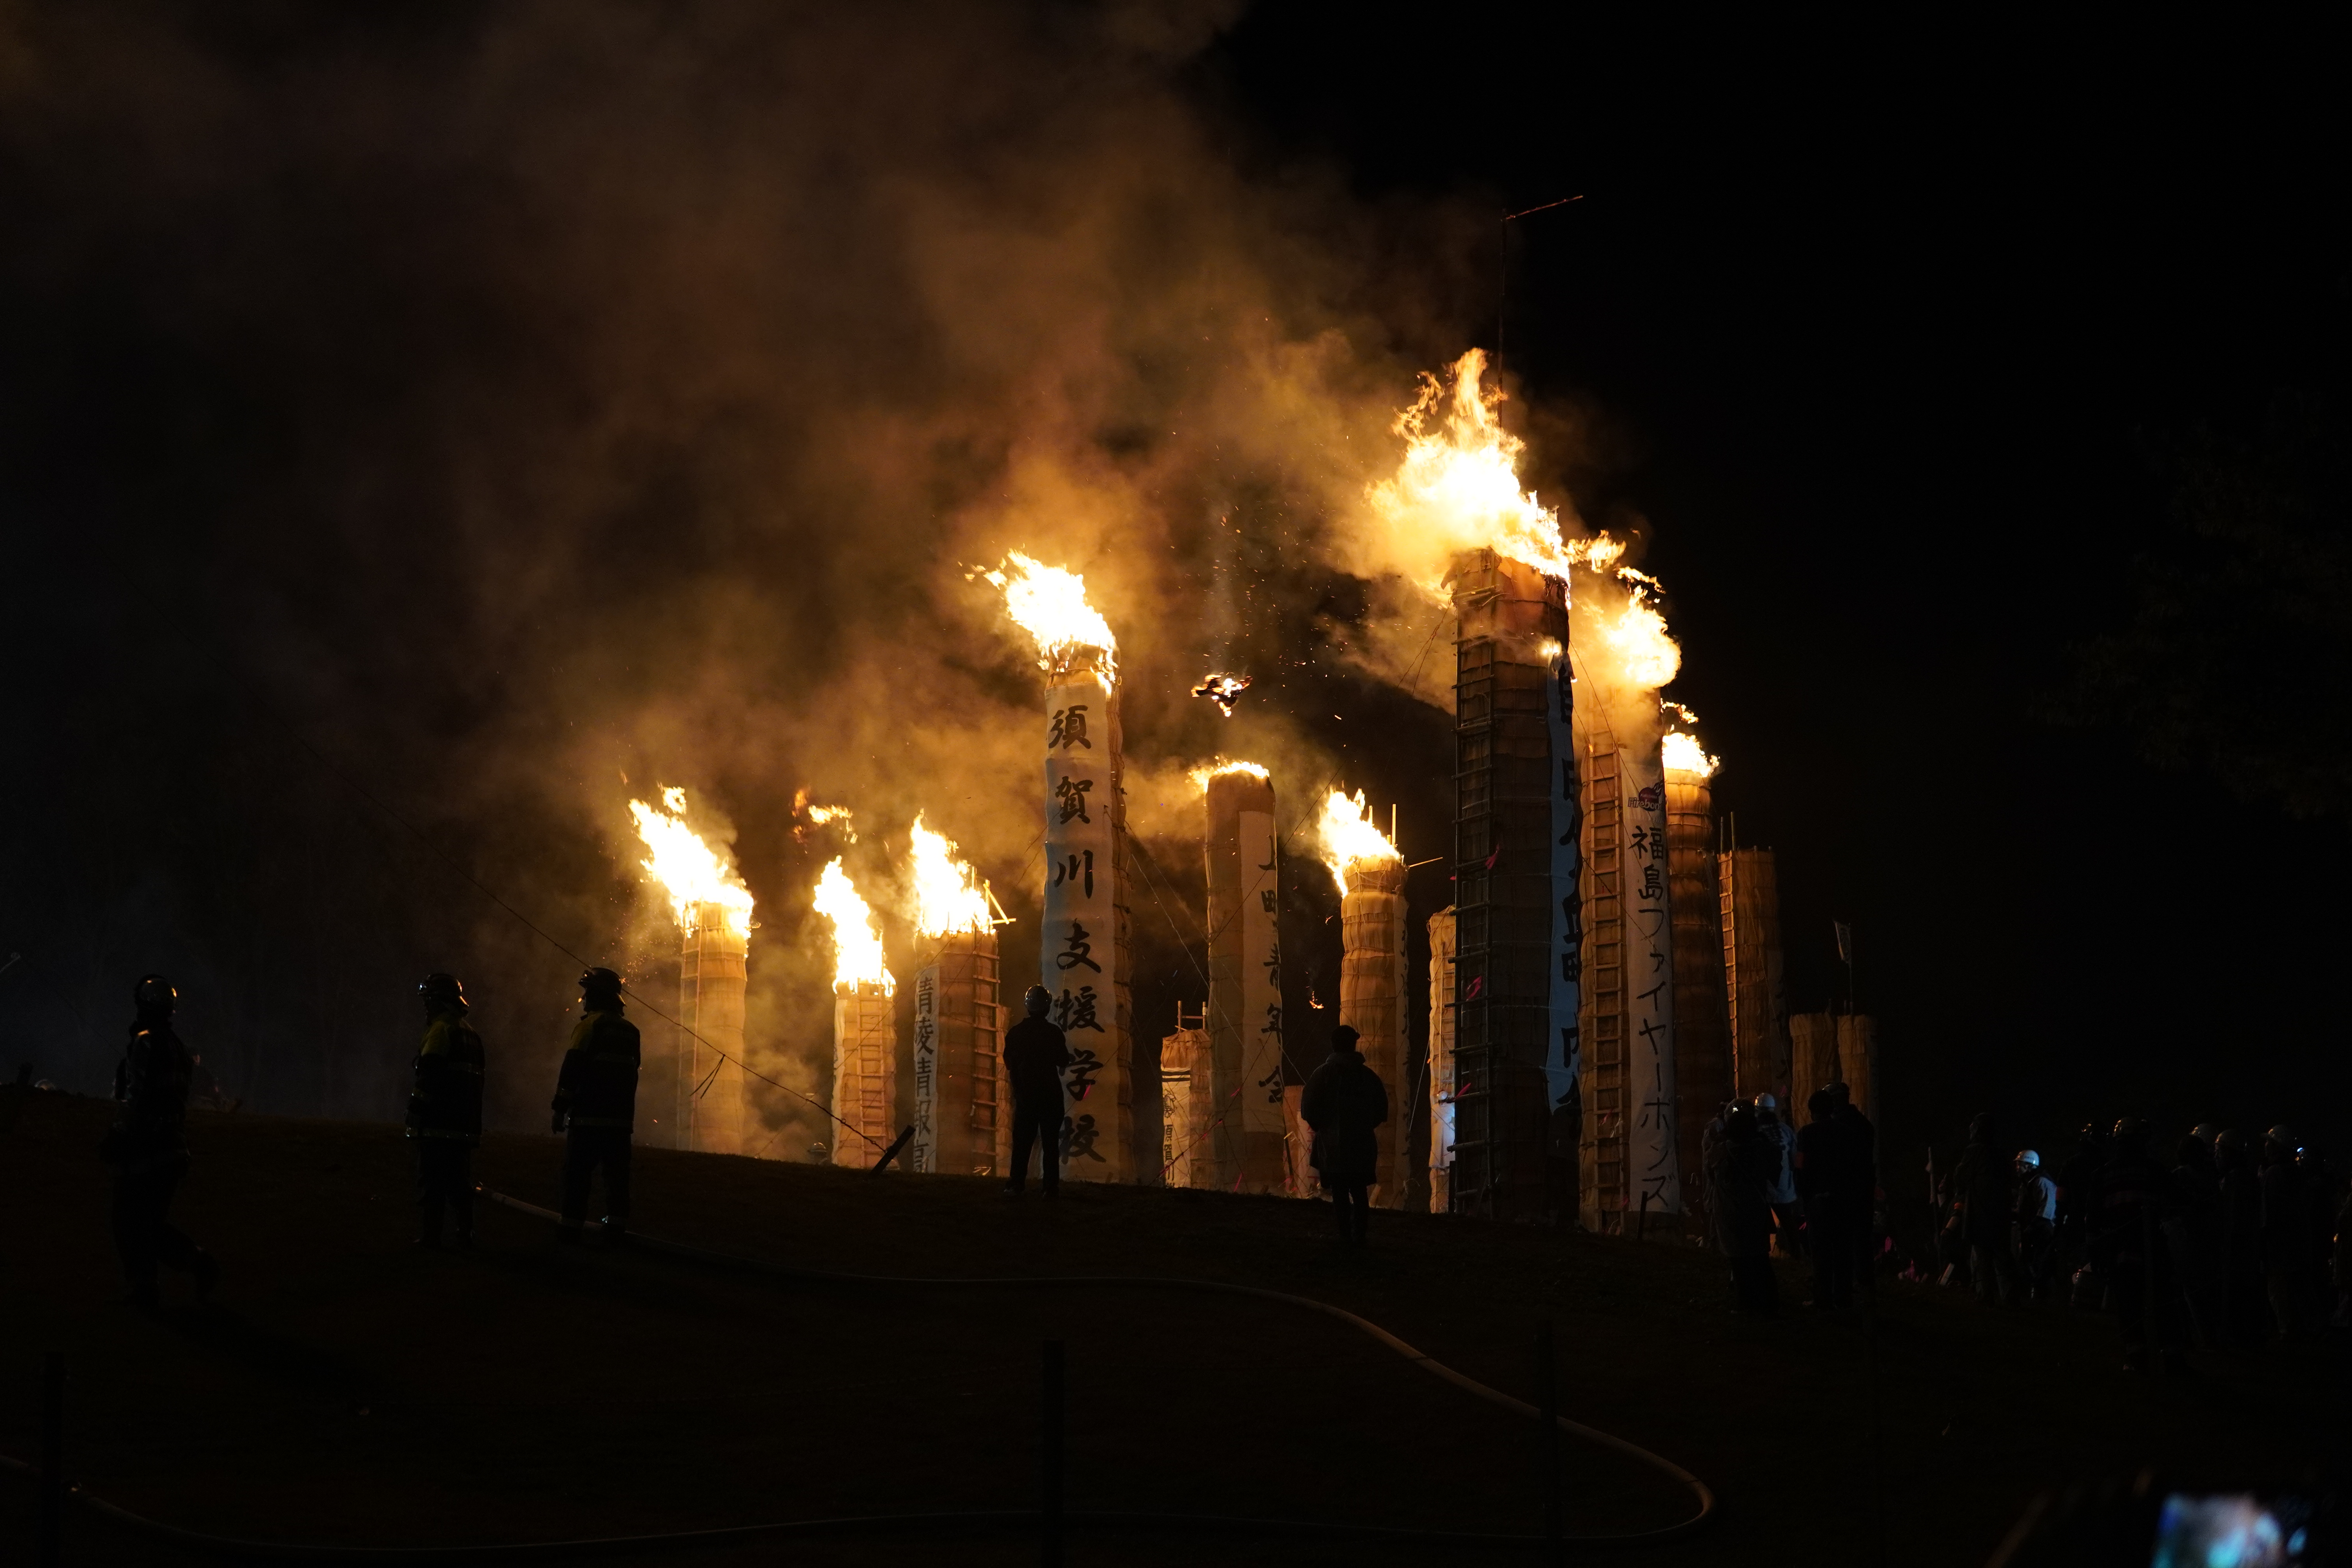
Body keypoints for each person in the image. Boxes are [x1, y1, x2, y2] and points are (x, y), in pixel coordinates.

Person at [103, 975, 219, 1310]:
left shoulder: (146, 1042)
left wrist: (117, 1133)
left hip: (146, 1145)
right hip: (172, 1146)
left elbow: (137, 1098)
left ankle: (152, 1285)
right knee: (147, 1223)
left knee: (129, 1221)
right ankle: (192, 1268)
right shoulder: (178, 1047)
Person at [551, 967, 640, 1242]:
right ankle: (616, 1229)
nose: (584, 999)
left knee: (577, 1176)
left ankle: (570, 1229)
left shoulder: (589, 1026)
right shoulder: (631, 1031)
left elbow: (572, 1069)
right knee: (616, 1179)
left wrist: (560, 1108)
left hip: (589, 1117)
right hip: (620, 1121)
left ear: (597, 996)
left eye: (587, 992)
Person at [2092, 1117, 2184, 1374]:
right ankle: (2172, 1355)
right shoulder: (2156, 1170)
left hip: (2121, 1249)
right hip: (2153, 1245)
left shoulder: (2104, 1173)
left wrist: (2099, 1251)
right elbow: (2174, 1203)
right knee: (2164, 1300)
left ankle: (2137, 1356)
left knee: (2129, 1303)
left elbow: (2095, 1217)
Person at [406, 973, 485, 1249]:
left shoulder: (441, 1030)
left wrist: (416, 1107)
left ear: (440, 1002)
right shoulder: (471, 1033)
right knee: (460, 1185)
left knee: (432, 1183)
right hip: (463, 1126)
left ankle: (431, 1238)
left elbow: (430, 1073)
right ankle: (466, 1235)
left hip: (438, 1122)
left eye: (429, 1000)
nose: (426, 1006)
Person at [1299, 1023, 1389, 1247]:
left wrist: (1323, 1127)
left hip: (1332, 1145)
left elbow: (1309, 1109)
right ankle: (1359, 1236)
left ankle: (1344, 1236)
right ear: (1353, 1044)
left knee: (1339, 1193)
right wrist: (1364, 1127)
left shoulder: (1322, 1075)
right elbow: (1381, 1110)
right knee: (1360, 1193)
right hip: (1361, 1144)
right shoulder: (1367, 1076)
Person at [1707, 1105, 1777, 1315]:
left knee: (1739, 1263)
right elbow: (1775, 1171)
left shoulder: (1719, 1152)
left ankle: (1747, 1304)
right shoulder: (1762, 1150)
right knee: (1760, 1260)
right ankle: (1769, 1302)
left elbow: (1711, 1176)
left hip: (1730, 1215)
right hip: (1755, 1211)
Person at [1002, 985, 1071, 1196]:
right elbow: (1063, 1060)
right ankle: (1049, 1188)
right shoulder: (1053, 1033)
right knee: (1050, 1144)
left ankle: (1016, 1184)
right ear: (1048, 1008)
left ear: (1027, 1006)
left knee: (1022, 1143)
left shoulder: (1015, 1033)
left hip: (1025, 1096)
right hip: (1050, 1096)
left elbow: (1009, 1063)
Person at [1949, 1114, 2019, 1306]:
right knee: (2001, 1254)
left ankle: (1984, 1295)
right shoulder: (2000, 1153)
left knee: (1982, 1255)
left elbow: (1960, 1177)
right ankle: (2009, 1296)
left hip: (1981, 1211)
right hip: (2000, 1211)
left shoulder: (1975, 1151)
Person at [2166, 1132, 2225, 1348]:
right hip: (2206, 1239)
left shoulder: (2180, 1176)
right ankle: (2207, 1334)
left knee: (2189, 1291)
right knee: (2202, 1291)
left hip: (2185, 1239)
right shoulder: (2211, 1178)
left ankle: (2199, 1335)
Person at [1794, 1089, 1849, 1309]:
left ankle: (1822, 1297)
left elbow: (1800, 1165)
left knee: (1820, 1251)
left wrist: (1804, 1193)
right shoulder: (1844, 1132)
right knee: (1841, 1249)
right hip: (1841, 1198)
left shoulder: (1806, 1134)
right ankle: (1843, 1296)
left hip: (1817, 1199)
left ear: (1813, 1112)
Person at [2214, 1129, 2267, 1346]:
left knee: (2238, 1293)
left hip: (2239, 1247)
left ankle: (2240, 1335)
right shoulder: (2242, 1177)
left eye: (2219, 1151)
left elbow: (2234, 1216)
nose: (2216, 1156)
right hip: (2244, 1246)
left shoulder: (2237, 1180)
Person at [2258, 1125, 2312, 1339]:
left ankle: (2286, 1328)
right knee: (2294, 1285)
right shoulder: (2297, 1174)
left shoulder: (2274, 1173)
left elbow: (2268, 1211)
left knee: (2278, 1287)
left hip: (2278, 1240)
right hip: (2296, 1238)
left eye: (2270, 1142)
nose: (2265, 1146)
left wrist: (2264, 1238)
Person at [1830, 1081, 1879, 1291]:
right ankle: (1865, 1278)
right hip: (1864, 1186)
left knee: (1843, 1236)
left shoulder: (1837, 1126)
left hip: (1845, 1187)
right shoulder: (1864, 1123)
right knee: (1862, 1235)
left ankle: (1847, 1280)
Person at [1753, 1094, 1804, 1258]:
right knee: (1788, 1222)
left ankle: (1763, 1255)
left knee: (1759, 1224)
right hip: (1783, 1186)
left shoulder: (1754, 1131)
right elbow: (1795, 1158)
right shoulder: (1785, 1130)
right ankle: (1796, 1255)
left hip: (1760, 1187)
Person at [2014, 1149, 2058, 1301]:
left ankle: (2045, 1298)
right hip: (2031, 1229)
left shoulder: (2042, 1182)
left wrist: (2031, 1228)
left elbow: (2047, 1211)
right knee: (2026, 1263)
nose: (2017, 1168)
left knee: (2041, 1264)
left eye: (2020, 1164)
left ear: (2029, 1166)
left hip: (2043, 1230)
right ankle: (2028, 1296)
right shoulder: (2027, 1183)